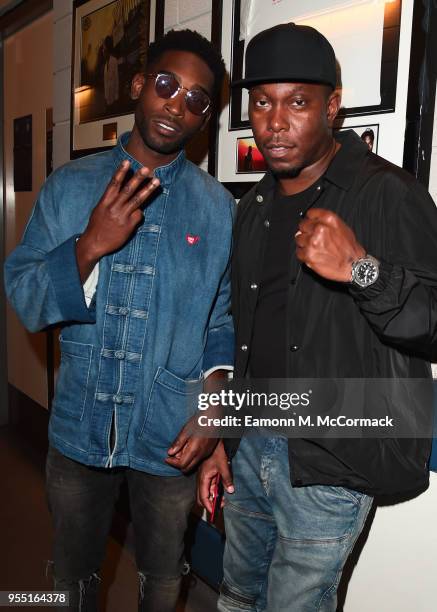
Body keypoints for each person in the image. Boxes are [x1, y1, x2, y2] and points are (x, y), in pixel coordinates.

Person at [198, 23, 437, 611]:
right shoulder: (251, 209)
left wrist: (361, 270)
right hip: (252, 443)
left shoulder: (387, 194)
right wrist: (220, 435)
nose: (276, 122)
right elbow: (242, 332)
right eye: (262, 102)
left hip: (332, 458)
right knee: (234, 599)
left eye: (298, 102)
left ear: (332, 106)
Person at [5, 29, 234, 612]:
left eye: (196, 99)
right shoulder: (71, 186)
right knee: (72, 574)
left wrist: (214, 417)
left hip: (171, 435)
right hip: (81, 426)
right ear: (138, 85)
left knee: (162, 575)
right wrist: (88, 246)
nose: (176, 104)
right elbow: (26, 297)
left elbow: (222, 321)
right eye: (166, 84)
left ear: (205, 116)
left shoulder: (216, 208)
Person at [103, 35, 119, 111]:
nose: (103, 50)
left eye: (104, 47)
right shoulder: (106, 64)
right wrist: (106, 98)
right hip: (107, 98)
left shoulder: (114, 61)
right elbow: (106, 82)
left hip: (113, 97)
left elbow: (116, 79)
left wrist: (116, 96)